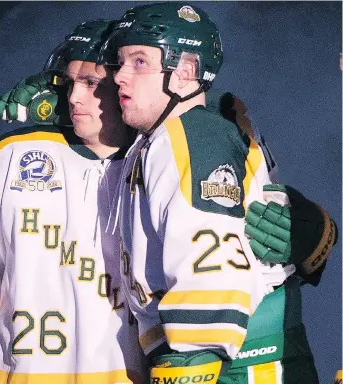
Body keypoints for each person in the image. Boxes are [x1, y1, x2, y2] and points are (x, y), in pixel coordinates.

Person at [93, 3, 336, 383]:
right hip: (214, 353)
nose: (120, 75)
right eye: (119, 61)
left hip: (235, 362)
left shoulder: (192, 132)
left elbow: (210, 270)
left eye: (139, 61)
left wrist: (190, 363)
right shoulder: (158, 137)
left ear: (186, 70)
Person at [0, 20, 148, 384]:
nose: (74, 97)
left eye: (91, 83)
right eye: (69, 82)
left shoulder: (164, 158)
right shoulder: (11, 156)